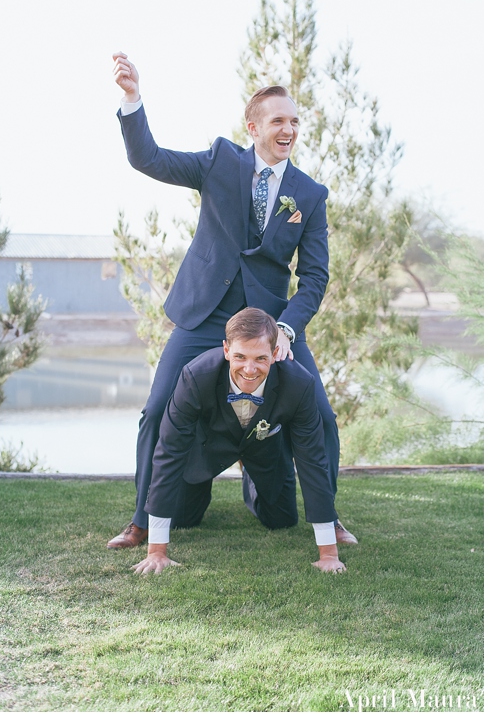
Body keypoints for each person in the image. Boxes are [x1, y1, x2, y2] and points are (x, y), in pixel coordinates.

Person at [107, 52, 356, 550]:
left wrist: (286, 329)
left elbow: (314, 278)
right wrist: (133, 100)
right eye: (279, 121)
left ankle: (329, 518)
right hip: (205, 316)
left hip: (272, 327)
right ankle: (140, 521)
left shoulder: (309, 194)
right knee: (156, 410)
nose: (289, 130)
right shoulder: (221, 161)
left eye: (295, 122)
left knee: (323, 417)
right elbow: (148, 159)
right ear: (254, 126)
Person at [132, 308, 346, 575]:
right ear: (225, 350)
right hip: (208, 448)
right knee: (183, 518)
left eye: (260, 358)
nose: (249, 368)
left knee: (282, 519)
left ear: (275, 353)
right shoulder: (194, 376)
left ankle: (252, 481)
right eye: (240, 356)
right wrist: (156, 552)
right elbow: (169, 452)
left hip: (266, 448)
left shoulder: (299, 383)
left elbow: (312, 461)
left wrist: (328, 554)